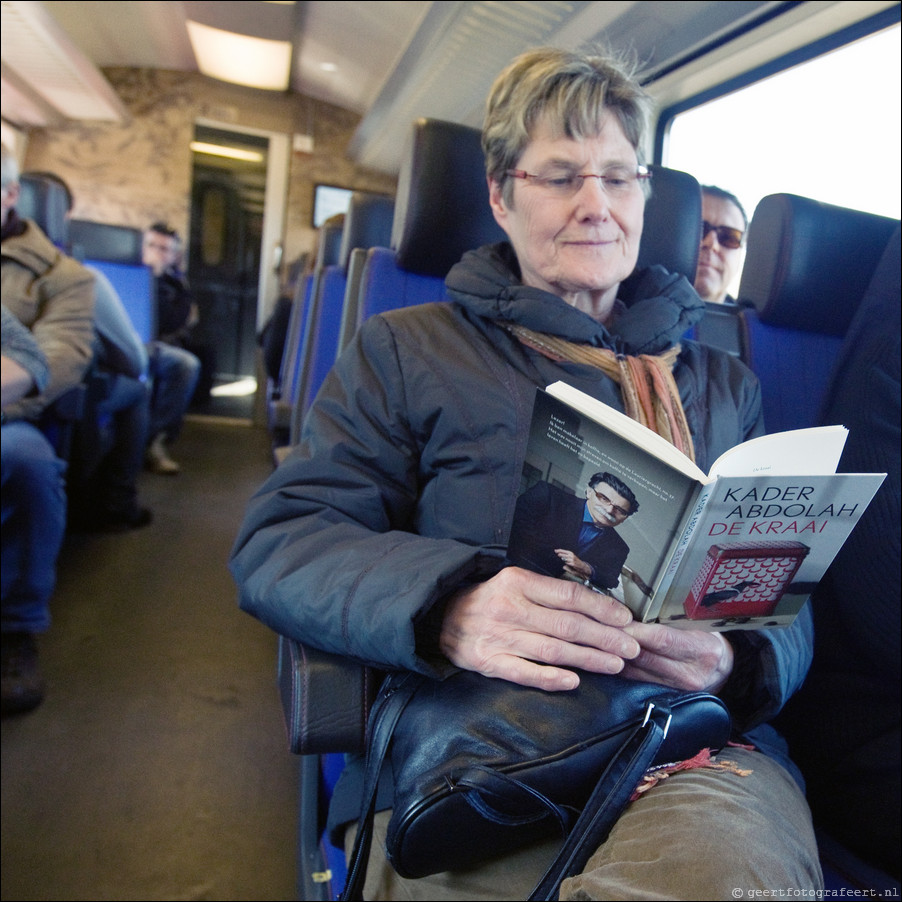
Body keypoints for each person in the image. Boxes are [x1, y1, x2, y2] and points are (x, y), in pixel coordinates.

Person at [229, 47, 821, 899]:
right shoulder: (408, 349)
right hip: (477, 748)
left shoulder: (723, 385)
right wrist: (450, 605)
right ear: (502, 196)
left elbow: (788, 604)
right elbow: (280, 542)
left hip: (690, 747)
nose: (597, 206)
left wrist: (735, 661)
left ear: (646, 198)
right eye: (562, 177)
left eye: (620, 179)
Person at [1, 142, 96, 714]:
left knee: (28, 464)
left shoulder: (62, 277)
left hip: (11, 417)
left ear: (10, 194)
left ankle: (14, 628)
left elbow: (55, 359)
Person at [508, 472, 638, 590]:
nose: (609, 511)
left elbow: (610, 581)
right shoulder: (547, 495)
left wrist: (587, 569)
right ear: (589, 492)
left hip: (562, 598)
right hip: (514, 573)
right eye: (604, 498)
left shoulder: (620, 548)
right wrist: (562, 563)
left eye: (620, 510)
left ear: (625, 518)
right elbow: (514, 528)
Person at [141, 222, 201, 474]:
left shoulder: (175, 284)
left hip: (155, 346)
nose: (157, 252)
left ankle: (154, 440)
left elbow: (173, 320)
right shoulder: (129, 271)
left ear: (174, 255)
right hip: (127, 341)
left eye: (165, 249)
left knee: (187, 364)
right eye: (152, 245)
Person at [693, 185, 748, 304]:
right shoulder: (645, 314)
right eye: (699, 229)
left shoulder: (747, 322)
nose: (711, 244)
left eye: (729, 237)